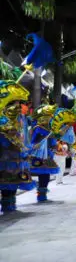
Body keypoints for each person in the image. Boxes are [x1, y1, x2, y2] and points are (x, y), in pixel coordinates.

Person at [28, 105, 76, 202]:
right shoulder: (38, 128)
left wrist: (67, 125)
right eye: (48, 117)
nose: (50, 119)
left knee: (46, 175)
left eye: (50, 117)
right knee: (41, 175)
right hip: (39, 156)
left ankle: (42, 194)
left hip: (48, 155)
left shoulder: (49, 129)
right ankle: (40, 194)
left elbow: (56, 137)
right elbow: (52, 135)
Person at [0, 78, 35, 214]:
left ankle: (11, 203)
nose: (19, 106)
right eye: (16, 103)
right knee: (6, 179)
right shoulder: (4, 118)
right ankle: (6, 203)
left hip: (17, 154)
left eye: (21, 103)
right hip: (5, 154)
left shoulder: (21, 118)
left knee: (14, 179)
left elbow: (23, 134)